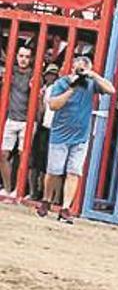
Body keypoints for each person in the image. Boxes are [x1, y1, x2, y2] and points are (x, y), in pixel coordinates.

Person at [37, 56, 115, 223]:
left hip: (80, 137)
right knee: (54, 172)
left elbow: (111, 90)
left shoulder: (91, 83)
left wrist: (92, 75)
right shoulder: (61, 83)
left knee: (74, 172)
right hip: (60, 135)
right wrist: (72, 88)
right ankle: (46, 199)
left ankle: (66, 208)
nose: (78, 72)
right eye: (76, 69)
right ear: (71, 68)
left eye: (81, 69)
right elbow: (53, 105)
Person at [1, 45, 34, 198]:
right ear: (16, 56)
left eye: (27, 57)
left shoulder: (34, 75)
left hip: (27, 120)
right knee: (3, 154)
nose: (23, 59)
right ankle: (8, 189)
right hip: (11, 118)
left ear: (31, 59)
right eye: (21, 56)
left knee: (23, 155)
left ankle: (19, 190)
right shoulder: (10, 72)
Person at [28, 64, 60, 201]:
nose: (51, 77)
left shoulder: (58, 89)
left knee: (52, 165)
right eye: (49, 74)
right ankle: (34, 192)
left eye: (54, 75)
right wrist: (39, 98)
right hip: (44, 128)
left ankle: (52, 197)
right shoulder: (45, 90)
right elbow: (41, 113)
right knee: (36, 163)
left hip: (55, 130)